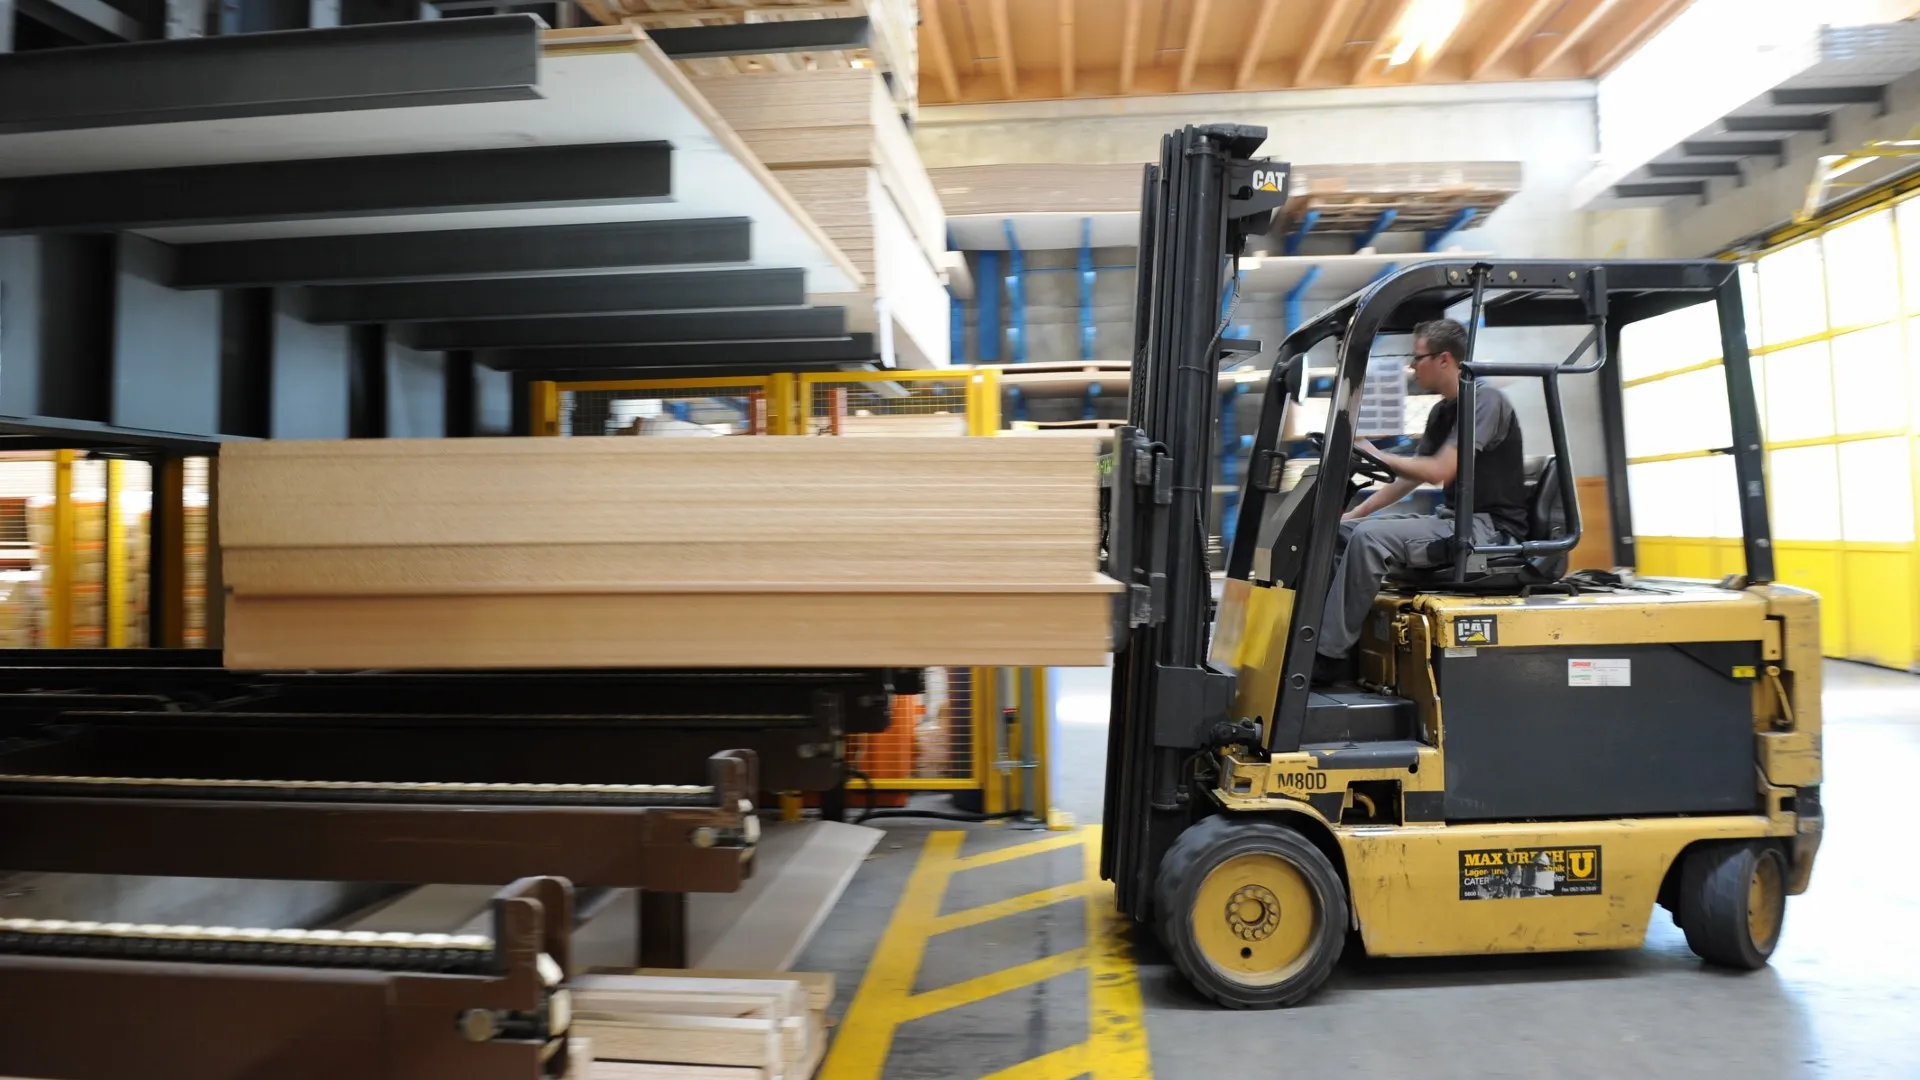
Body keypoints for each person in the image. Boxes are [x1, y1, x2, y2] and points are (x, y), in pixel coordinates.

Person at [1312, 318, 1529, 685]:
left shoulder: (1485, 401)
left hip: (1489, 529)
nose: (1412, 367)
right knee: (1345, 533)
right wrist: (1354, 514)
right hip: (1455, 519)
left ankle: (1328, 657)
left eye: (1418, 357)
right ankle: (1338, 649)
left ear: (1444, 359)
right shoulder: (1442, 410)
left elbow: (1439, 471)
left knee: (1371, 540)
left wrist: (1374, 453)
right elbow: (1411, 475)